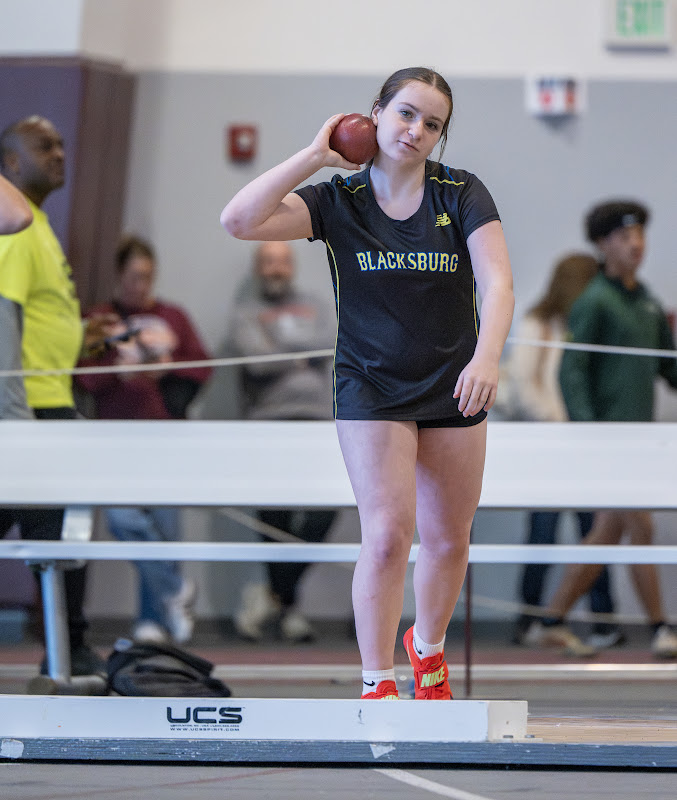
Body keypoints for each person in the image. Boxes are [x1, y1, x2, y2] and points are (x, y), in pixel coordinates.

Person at [220, 67, 514, 700]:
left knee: (448, 539)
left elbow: (498, 284)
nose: (415, 131)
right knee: (385, 537)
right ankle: (377, 679)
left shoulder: (460, 192)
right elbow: (238, 221)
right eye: (405, 113)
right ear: (375, 112)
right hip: (370, 386)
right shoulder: (337, 199)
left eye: (432, 123)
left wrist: (487, 358)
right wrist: (314, 155)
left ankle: (427, 650)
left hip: (453, 382)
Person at [528, 200, 677, 659]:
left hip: (637, 443)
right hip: (610, 445)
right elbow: (571, 373)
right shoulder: (594, 300)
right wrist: (590, 437)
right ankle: (661, 628)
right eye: (625, 236)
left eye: (640, 235)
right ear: (602, 243)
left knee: (607, 534)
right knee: (641, 529)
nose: (636, 245)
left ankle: (551, 621)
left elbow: (668, 367)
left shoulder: (647, 301)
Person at [0, 116, 117, 675]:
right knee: (65, 535)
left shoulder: (39, 224)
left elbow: (37, 322)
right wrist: (15, 421)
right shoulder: (16, 227)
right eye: (44, 146)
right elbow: (4, 320)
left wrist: (81, 338)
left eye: (62, 144)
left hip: (45, 405)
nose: (60, 153)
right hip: (31, 411)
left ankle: (66, 652)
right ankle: (68, 652)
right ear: (11, 162)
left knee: (63, 535)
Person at [76, 235, 213, 644]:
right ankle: (174, 589)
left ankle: (153, 622)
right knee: (123, 519)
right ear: (120, 275)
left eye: (148, 277)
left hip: (165, 435)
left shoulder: (172, 316)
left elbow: (202, 367)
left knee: (165, 530)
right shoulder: (99, 320)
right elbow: (81, 376)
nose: (141, 285)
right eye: (134, 276)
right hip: (115, 437)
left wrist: (166, 370)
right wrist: (118, 374)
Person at [506, 253, 621, 654]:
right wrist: (562, 423)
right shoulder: (537, 323)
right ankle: (529, 619)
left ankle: (604, 619)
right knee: (543, 532)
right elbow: (524, 388)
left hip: (582, 446)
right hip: (550, 447)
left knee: (596, 530)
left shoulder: (584, 325)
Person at [228, 240, 338, 643]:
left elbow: (333, 343)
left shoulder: (316, 304)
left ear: (291, 267)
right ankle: (289, 607)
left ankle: (274, 595)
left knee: (326, 510)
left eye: (282, 262)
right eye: (269, 262)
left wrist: (281, 351)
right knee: (273, 516)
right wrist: (301, 356)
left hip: (320, 422)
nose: (276, 269)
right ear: (259, 268)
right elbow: (256, 362)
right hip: (268, 423)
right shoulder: (245, 312)